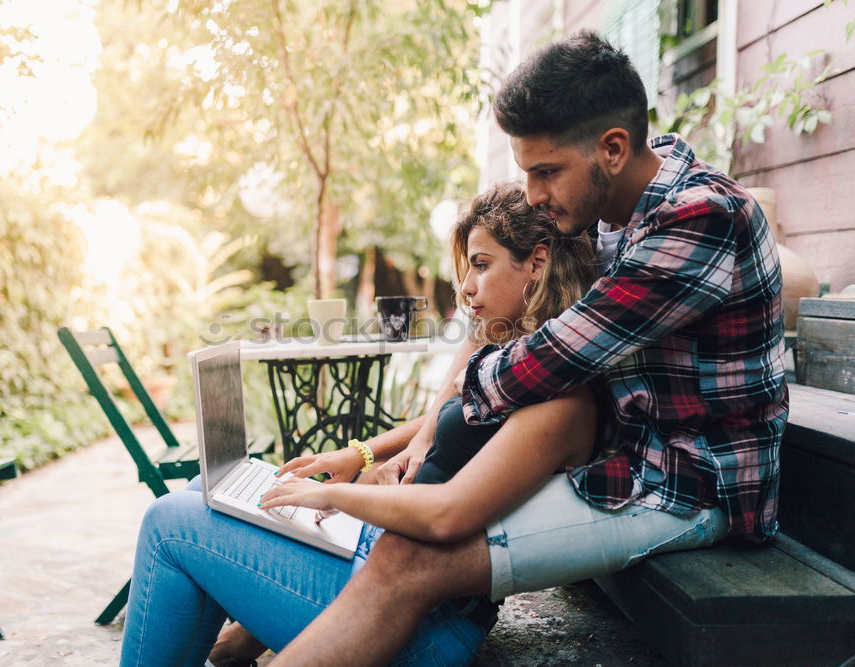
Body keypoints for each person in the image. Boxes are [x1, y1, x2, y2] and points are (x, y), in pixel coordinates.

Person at [264, 30, 787, 666]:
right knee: (403, 538)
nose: (535, 194)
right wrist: (425, 424)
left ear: (613, 148)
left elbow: (550, 358)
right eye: (528, 173)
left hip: (693, 488)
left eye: (545, 172)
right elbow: (497, 316)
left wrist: (446, 407)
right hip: (623, 458)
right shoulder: (614, 203)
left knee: (409, 557)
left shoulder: (699, 216)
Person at [118, 181, 600, 666]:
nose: (466, 286)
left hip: (417, 616)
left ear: (537, 263)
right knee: (208, 488)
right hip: (381, 562)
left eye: (481, 264)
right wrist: (360, 455)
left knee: (169, 524)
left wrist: (332, 496)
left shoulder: (558, 397)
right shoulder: (507, 361)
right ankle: (233, 642)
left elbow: (448, 513)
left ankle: (233, 639)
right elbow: (440, 417)